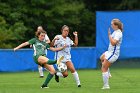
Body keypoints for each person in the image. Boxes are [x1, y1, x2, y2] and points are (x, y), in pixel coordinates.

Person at [100, 18, 123, 89]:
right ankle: (108, 73)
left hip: (113, 54)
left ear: (116, 25)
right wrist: (110, 35)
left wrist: (109, 35)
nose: (111, 25)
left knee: (103, 68)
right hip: (109, 52)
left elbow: (113, 43)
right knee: (101, 58)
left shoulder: (118, 33)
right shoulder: (115, 32)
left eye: (112, 24)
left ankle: (106, 86)